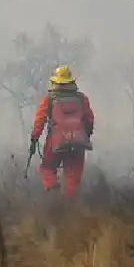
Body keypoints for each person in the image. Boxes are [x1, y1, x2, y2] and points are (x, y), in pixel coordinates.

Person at [30, 64, 95, 199]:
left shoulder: (49, 99)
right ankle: (69, 206)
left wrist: (34, 138)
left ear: (55, 82)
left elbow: (39, 121)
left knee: (47, 169)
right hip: (78, 141)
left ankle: (53, 191)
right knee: (73, 174)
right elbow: (89, 120)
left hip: (55, 140)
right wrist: (83, 135)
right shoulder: (82, 99)